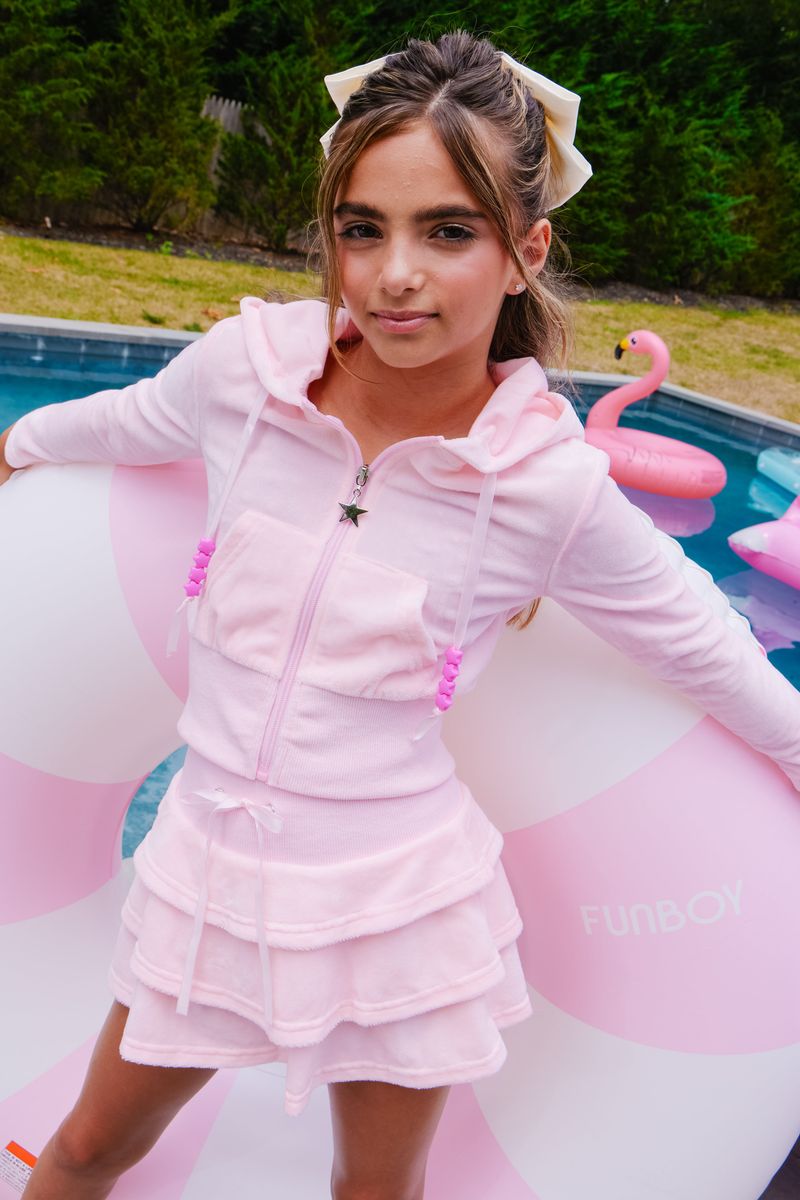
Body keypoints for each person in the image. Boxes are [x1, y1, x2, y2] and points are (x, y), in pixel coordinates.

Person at [2, 29, 799, 1200]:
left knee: (373, 1194)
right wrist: (19, 441)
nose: (393, 274)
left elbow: (700, 643)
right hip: (205, 883)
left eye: (447, 231)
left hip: (398, 913)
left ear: (523, 252)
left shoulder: (543, 486)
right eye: (361, 227)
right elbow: (120, 424)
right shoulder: (241, 378)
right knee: (85, 1150)